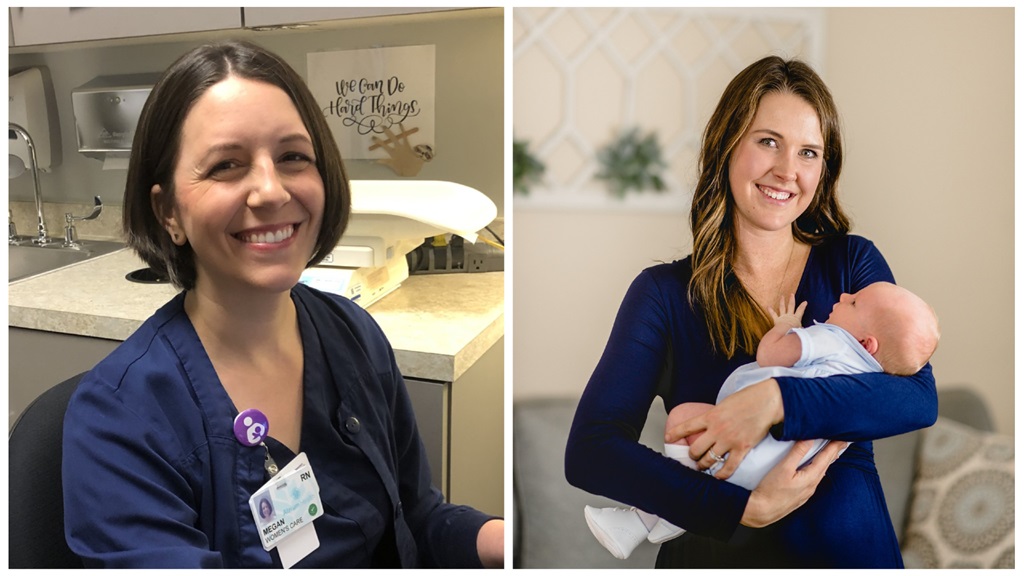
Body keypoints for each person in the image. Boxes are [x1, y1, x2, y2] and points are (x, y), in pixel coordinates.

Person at [62, 40, 503, 569]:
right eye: (226, 165)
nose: (271, 191)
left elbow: (418, 517)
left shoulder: (352, 335)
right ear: (168, 212)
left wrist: (500, 539)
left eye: (293, 156)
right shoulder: (119, 420)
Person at [564, 55, 937, 569]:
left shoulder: (851, 264)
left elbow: (917, 399)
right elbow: (591, 449)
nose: (787, 171)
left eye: (809, 152)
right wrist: (743, 507)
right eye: (768, 142)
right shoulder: (663, 295)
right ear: (727, 146)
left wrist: (776, 399)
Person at [585, 283, 940, 559]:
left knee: (682, 419)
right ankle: (655, 518)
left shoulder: (833, 339)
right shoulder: (871, 371)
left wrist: (785, 331)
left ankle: (660, 516)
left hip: (754, 454)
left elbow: (772, 354)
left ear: (867, 342)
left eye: (853, 303)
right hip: (780, 467)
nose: (844, 294)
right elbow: (589, 449)